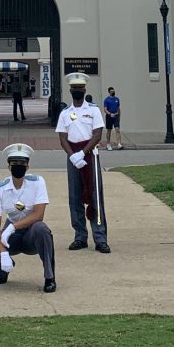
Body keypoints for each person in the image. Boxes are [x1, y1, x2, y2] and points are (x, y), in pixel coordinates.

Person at [0, 143, 56, 293]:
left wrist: (13, 227)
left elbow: (39, 215)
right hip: (11, 233)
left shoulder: (38, 182)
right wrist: (3, 252)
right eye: (14, 163)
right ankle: (2, 272)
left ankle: (49, 277)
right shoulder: (0, 189)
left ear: (27, 167)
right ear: (8, 167)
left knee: (42, 229)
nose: (18, 166)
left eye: (22, 163)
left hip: (32, 232)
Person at [55, 72, 110, 253]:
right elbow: (63, 138)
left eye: (80, 88)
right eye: (74, 88)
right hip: (73, 158)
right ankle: (80, 236)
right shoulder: (65, 113)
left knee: (95, 197)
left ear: (85, 89)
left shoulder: (93, 110)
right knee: (75, 198)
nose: (77, 91)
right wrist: (73, 156)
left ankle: (100, 237)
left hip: (90, 156)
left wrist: (82, 153)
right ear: (70, 90)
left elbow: (97, 135)